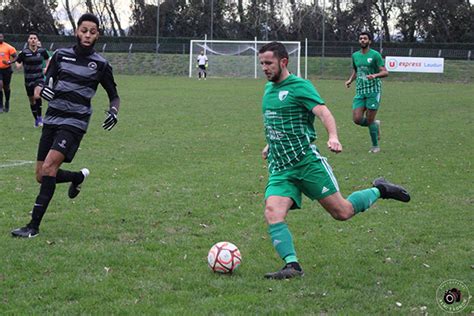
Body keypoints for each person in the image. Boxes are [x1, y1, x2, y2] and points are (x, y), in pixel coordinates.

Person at [258, 42, 410, 279]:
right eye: (262, 63)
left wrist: (333, 136)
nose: (264, 68)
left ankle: (380, 189)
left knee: (342, 212)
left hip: (306, 163)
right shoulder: (268, 90)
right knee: (272, 211)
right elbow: (277, 121)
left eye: (268, 63)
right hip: (280, 167)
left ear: (283, 62)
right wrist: (271, 143)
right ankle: (292, 266)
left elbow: (323, 112)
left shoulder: (300, 87)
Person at [11, 13, 121, 238]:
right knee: (41, 175)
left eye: (92, 31)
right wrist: (43, 90)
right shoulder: (60, 56)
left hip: (74, 123)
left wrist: (114, 111)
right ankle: (77, 177)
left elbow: (114, 96)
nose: (87, 35)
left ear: (97, 34)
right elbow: (43, 83)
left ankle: (33, 226)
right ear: (76, 31)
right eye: (84, 30)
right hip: (52, 119)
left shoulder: (101, 64)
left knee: (49, 167)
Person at [345, 31, 388, 153]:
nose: (362, 40)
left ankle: (375, 146)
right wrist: (350, 80)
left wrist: (375, 75)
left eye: (365, 38)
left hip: (373, 91)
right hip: (360, 91)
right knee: (357, 119)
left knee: (369, 119)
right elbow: (356, 70)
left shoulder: (375, 55)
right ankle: (375, 124)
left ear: (369, 41)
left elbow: (385, 72)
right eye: (360, 38)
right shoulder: (355, 56)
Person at [15, 32, 51, 127]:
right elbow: (18, 65)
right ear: (28, 40)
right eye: (31, 38)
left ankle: (40, 117)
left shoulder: (42, 51)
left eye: (35, 38)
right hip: (28, 79)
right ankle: (36, 119)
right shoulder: (24, 53)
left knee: (37, 95)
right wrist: (17, 60)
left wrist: (46, 68)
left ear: (37, 40)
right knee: (32, 100)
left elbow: (48, 59)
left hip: (39, 78)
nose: (33, 40)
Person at [0, 33, 17, 113]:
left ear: (3, 38)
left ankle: (7, 102)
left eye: (1, 37)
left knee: (6, 87)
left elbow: (16, 57)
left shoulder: (8, 47)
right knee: (0, 85)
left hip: (7, 70)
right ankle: (0, 106)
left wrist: (9, 62)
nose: (0, 38)